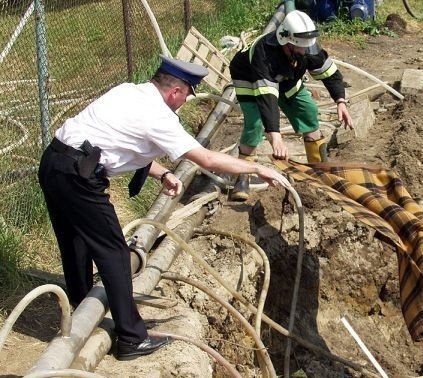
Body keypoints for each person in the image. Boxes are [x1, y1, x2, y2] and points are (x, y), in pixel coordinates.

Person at [38, 55, 290, 361]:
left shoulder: (129, 92)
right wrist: (258, 169)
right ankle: (131, 338)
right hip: (79, 177)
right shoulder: (159, 116)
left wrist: (163, 173)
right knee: (114, 253)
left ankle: (81, 307)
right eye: (186, 95)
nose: (184, 101)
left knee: (76, 241)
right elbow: (207, 159)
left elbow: (122, 141)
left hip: (54, 162)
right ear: (176, 92)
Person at [228, 9, 354, 201]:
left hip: (287, 78)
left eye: (306, 48)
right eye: (299, 49)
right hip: (249, 77)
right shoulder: (265, 53)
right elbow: (267, 98)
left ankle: (319, 171)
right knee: (254, 123)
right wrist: (276, 138)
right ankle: (242, 177)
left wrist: (341, 101)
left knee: (308, 110)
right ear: (286, 41)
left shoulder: (308, 47)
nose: (304, 52)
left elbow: (330, 74)